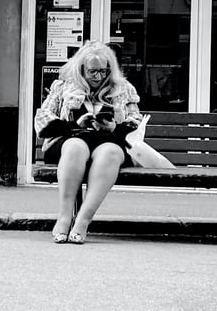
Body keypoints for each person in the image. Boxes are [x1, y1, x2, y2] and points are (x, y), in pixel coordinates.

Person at [34, 41, 143, 244]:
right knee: (75, 146)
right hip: (70, 140)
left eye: (103, 71)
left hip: (109, 142)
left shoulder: (123, 88)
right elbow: (42, 119)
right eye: (93, 71)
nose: (98, 77)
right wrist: (74, 124)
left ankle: (83, 220)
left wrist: (114, 128)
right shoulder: (63, 86)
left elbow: (136, 121)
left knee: (110, 153)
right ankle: (64, 218)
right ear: (81, 69)